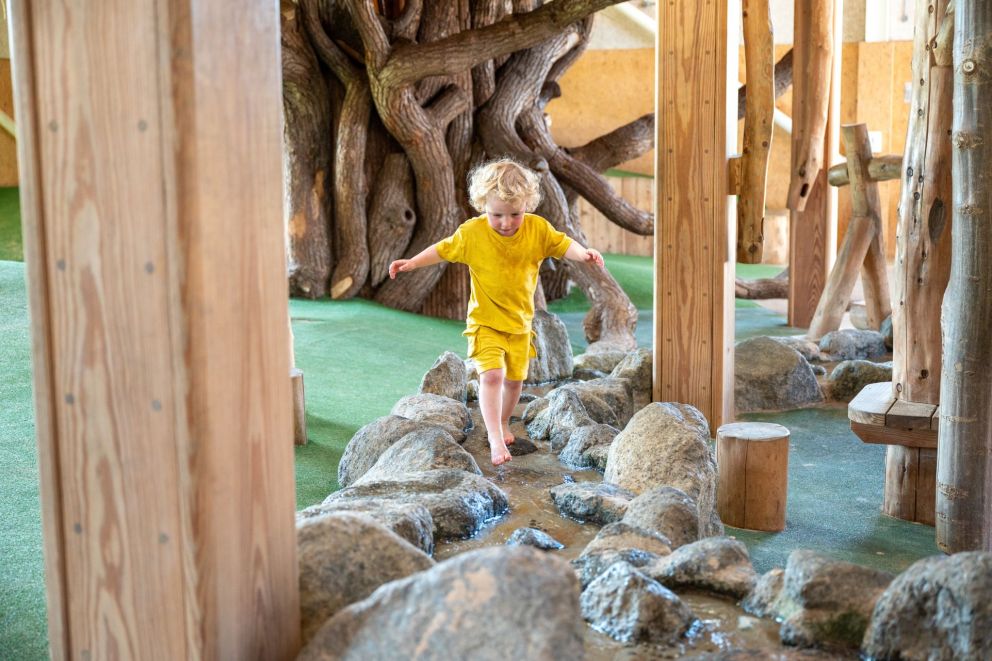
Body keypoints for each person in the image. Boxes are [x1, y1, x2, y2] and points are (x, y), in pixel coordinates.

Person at [388, 158, 605, 466]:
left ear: (527, 205)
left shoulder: (537, 230)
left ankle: (503, 422)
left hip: (519, 324)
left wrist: (584, 253)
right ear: (482, 206)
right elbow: (442, 249)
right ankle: (493, 437)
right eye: (497, 215)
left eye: (514, 214)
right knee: (492, 376)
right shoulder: (472, 233)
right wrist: (411, 262)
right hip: (485, 323)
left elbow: (562, 243)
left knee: (515, 382)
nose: (506, 222)